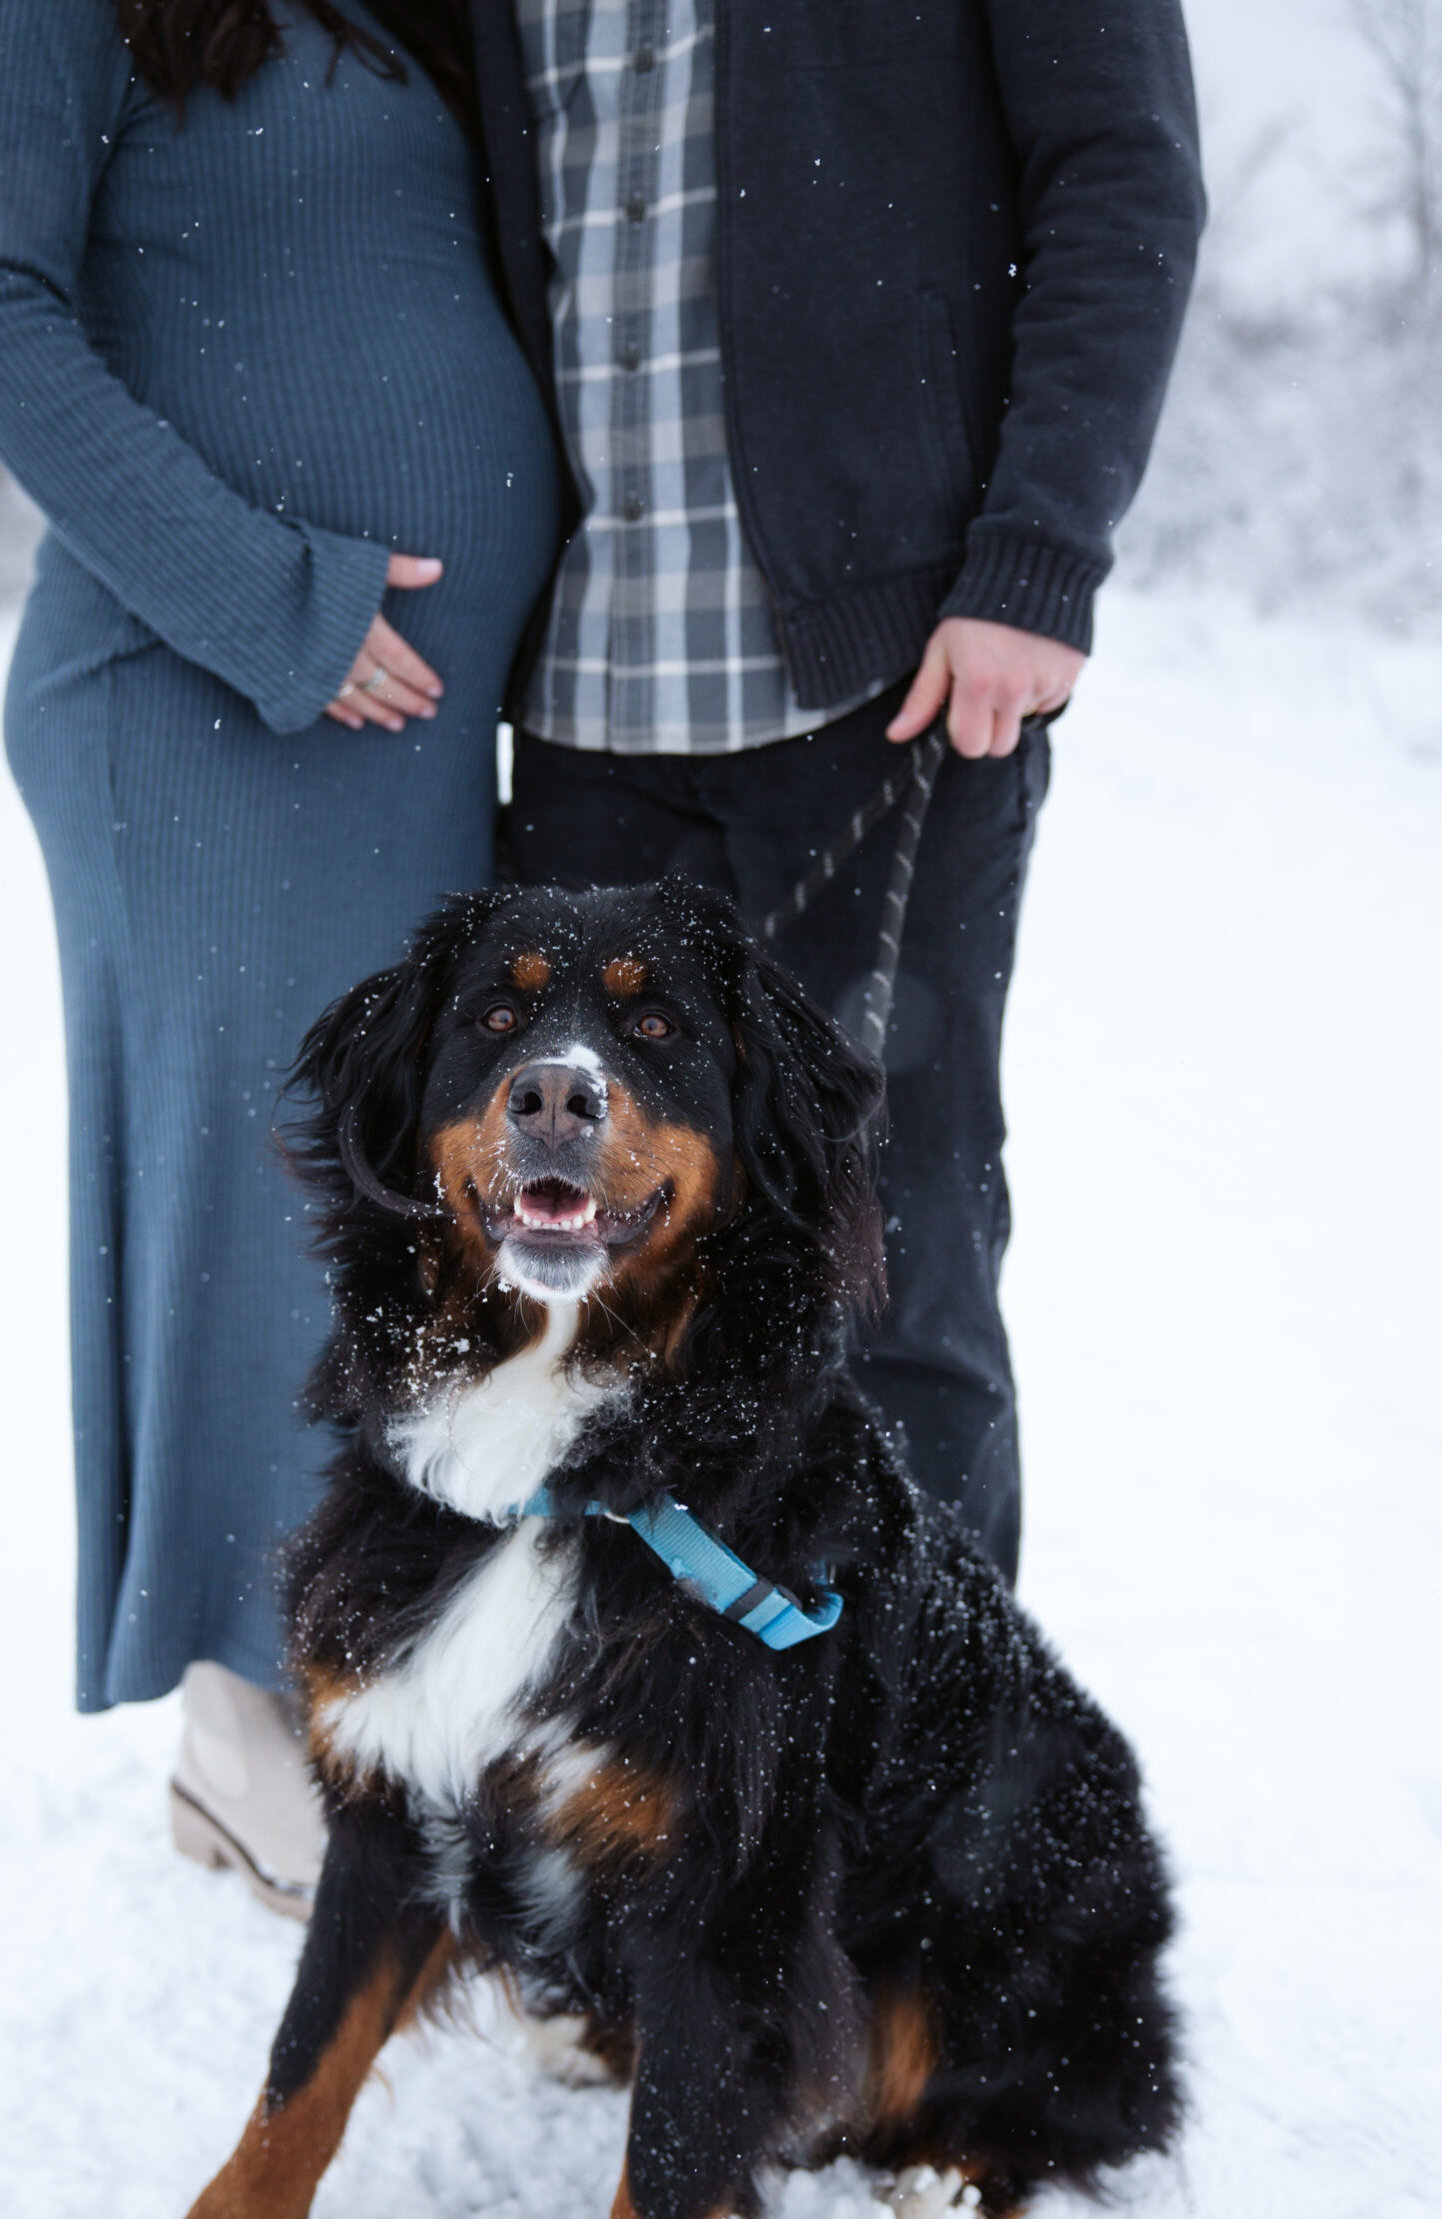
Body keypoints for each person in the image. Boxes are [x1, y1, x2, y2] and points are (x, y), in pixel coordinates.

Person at [0, 0, 561, 1909]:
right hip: (207, 691)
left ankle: (374, 1666)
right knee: (263, 1206)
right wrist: (266, 598)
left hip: (400, 729)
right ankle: (253, 1720)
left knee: (388, 1215)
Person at [472, 0, 1207, 1583]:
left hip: (886, 687)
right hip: (588, 705)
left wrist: (1039, 557)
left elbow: (1125, 171)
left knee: (893, 1265)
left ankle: (912, 1774)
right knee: (583, 1271)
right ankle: (654, 1763)